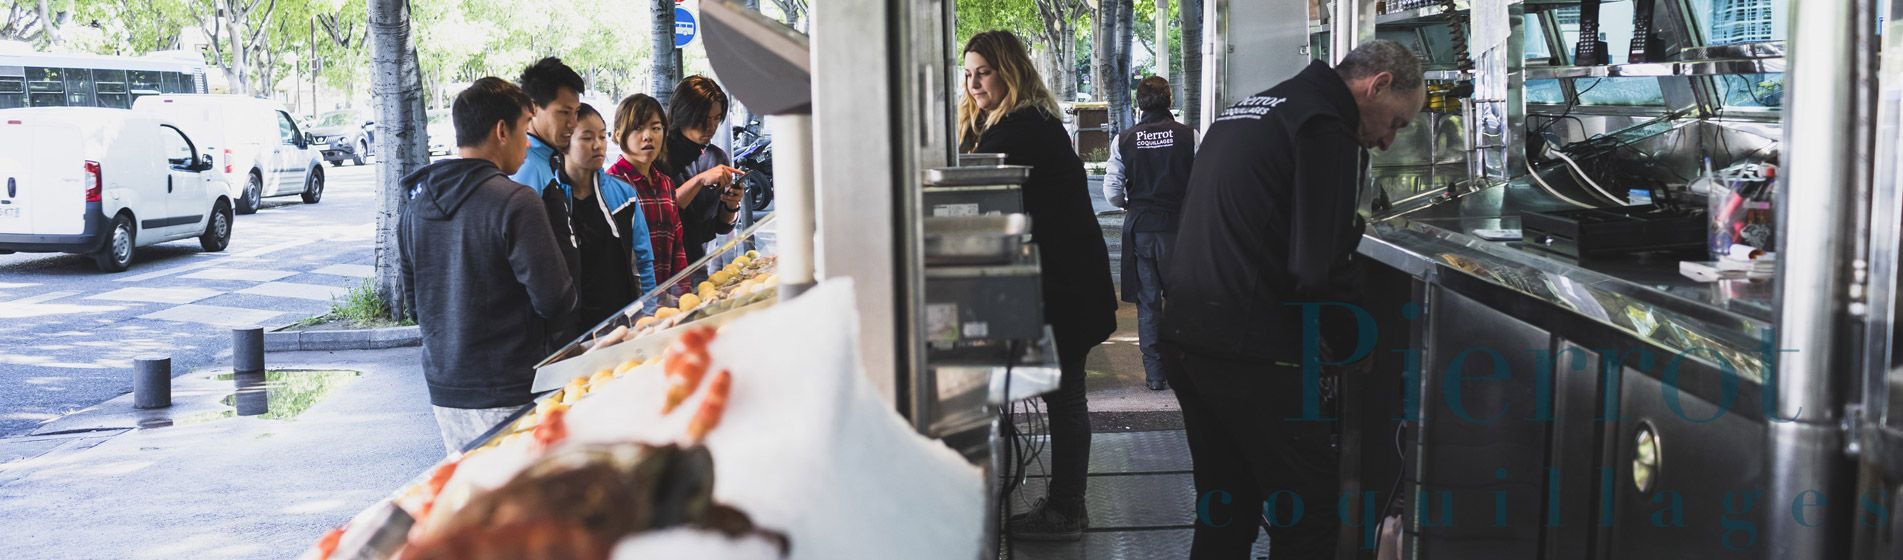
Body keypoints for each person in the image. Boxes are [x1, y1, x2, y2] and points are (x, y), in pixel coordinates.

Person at [1159, 40, 1425, 558]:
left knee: (1224, 508)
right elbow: (1314, 269)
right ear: (1378, 85)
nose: (1390, 140)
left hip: (1188, 339)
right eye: (1396, 122)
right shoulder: (1325, 128)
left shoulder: (1251, 109)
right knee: (1312, 515)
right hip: (1252, 350)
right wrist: (1356, 342)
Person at [958, 30, 1118, 541]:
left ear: (1010, 70)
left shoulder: (1018, 128)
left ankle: (1068, 510)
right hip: (1063, 280)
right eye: (968, 72)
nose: (974, 82)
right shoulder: (1024, 121)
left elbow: (974, 202)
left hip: (1061, 286)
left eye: (983, 71)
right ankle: (1066, 505)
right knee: (1064, 397)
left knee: (1066, 398)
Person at [399, 77, 577, 453]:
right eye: (524, 129)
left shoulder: (415, 205)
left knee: (471, 493)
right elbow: (555, 300)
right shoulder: (516, 201)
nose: (528, 143)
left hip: (444, 389)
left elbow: (416, 306)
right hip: (512, 385)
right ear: (501, 131)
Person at [1102, 76, 1196, 392]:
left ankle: (1156, 374)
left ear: (1138, 102)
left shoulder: (1124, 140)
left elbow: (1112, 191)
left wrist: (1129, 203)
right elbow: (1203, 179)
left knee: (1148, 302)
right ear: (1169, 99)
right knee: (1182, 300)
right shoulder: (1189, 136)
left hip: (1142, 227)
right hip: (1179, 229)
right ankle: (1184, 368)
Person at [558, 102, 660, 331]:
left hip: (623, 321)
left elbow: (642, 261)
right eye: (587, 138)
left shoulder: (624, 195)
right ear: (565, 143)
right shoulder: (552, 200)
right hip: (574, 330)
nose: (598, 145)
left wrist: (648, 313)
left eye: (602, 137)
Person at [659, 75, 748, 277]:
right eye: (703, 118)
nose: (711, 127)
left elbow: (722, 227)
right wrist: (699, 181)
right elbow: (663, 211)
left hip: (702, 262)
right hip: (664, 264)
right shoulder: (659, 154)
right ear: (683, 113)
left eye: (716, 118)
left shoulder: (717, 157)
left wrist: (732, 204)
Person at [607, 94, 690, 288]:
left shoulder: (666, 184)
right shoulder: (611, 185)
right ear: (618, 134)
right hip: (632, 302)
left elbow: (677, 246)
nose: (648, 136)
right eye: (638, 128)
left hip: (667, 301)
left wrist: (684, 293)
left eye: (656, 128)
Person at [508, 57, 586, 196]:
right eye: (564, 112)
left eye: (576, 112)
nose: (573, 123)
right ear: (532, 108)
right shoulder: (527, 167)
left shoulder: (549, 158)